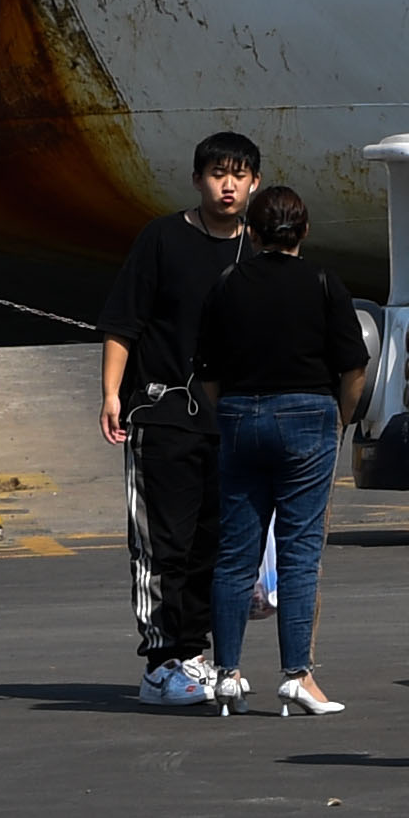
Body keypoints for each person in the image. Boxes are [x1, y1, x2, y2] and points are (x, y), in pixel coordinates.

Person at [193, 181, 370, 718]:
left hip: (242, 414)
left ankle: (226, 672)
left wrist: (230, 413)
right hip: (307, 413)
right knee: (299, 551)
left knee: (235, 554)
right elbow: (354, 366)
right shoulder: (322, 282)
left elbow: (205, 372)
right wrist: (339, 416)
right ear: (305, 231)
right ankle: (297, 674)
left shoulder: (227, 284)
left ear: (251, 228)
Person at [103, 131, 263, 705]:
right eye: (218, 174)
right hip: (162, 411)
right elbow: (124, 321)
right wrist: (111, 393)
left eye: (239, 176)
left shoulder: (260, 249)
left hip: (235, 421)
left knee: (214, 544)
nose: (228, 185)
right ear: (198, 179)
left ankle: (196, 654)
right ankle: (160, 662)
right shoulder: (163, 238)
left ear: (255, 184)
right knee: (162, 544)